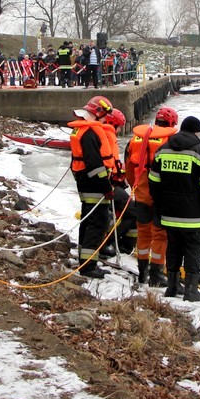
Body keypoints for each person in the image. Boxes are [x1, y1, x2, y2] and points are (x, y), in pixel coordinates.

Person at [148, 116, 200, 302]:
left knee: (173, 248)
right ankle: (191, 290)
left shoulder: (162, 151)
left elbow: (153, 183)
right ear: (197, 132)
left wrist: (160, 206)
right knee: (193, 251)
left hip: (169, 214)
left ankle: (172, 287)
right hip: (193, 216)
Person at [124, 106, 179, 287]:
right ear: (172, 123)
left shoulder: (135, 140)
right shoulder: (171, 141)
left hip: (141, 195)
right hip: (161, 197)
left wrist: (134, 186)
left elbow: (129, 169)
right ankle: (156, 275)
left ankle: (142, 273)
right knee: (160, 236)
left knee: (143, 234)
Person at [68, 95, 119, 278]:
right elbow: (95, 165)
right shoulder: (90, 133)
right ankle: (88, 266)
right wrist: (106, 187)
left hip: (84, 182)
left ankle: (84, 260)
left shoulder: (82, 130)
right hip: (94, 186)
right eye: (104, 116)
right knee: (98, 224)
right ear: (98, 113)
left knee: (87, 221)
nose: (105, 120)